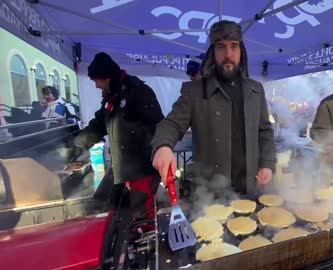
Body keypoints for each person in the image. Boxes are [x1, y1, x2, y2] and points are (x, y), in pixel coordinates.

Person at [151, 20, 276, 195]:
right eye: (220, 47)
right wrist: (163, 146)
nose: (228, 54)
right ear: (212, 52)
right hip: (211, 193)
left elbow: (264, 131)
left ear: (242, 51)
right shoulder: (194, 91)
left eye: (234, 46)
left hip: (251, 186)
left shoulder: (256, 90)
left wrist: (268, 164)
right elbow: (170, 124)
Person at [74, 52, 164, 227]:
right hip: (122, 167)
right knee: (120, 209)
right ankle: (128, 243)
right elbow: (99, 124)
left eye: (97, 81)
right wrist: (76, 144)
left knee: (142, 213)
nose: (96, 85)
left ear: (108, 77)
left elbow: (159, 125)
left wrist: (157, 153)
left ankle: (149, 246)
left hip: (141, 167)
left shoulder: (138, 92)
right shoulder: (111, 97)